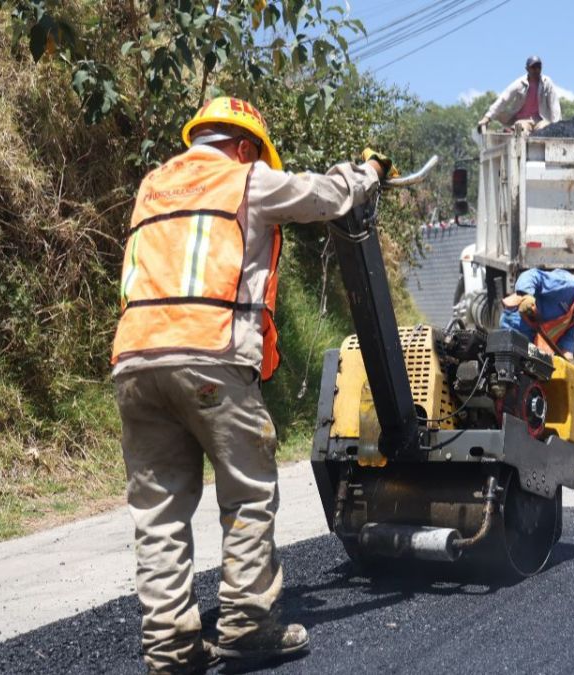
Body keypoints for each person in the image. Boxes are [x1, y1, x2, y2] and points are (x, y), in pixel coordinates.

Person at [110, 96, 393, 674]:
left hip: (135, 361)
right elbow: (326, 195)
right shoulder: (244, 180)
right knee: (247, 492)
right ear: (245, 147)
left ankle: (170, 650)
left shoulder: (153, 185)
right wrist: (369, 173)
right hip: (209, 353)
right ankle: (246, 626)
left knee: (158, 510)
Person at [499, 268, 574, 360]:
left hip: (532, 342)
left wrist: (569, 360)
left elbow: (567, 336)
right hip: (515, 326)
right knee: (506, 377)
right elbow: (531, 275)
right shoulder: (568, 283)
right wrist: (526, 295)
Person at [477, 55, 563, 134]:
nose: (536, 70)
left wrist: (557, 126)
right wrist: (487, 118)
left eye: (538, 67)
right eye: (533, 67)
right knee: (519, 129)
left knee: (544, 129)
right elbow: (503, 99)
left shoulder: (546, 83)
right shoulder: (520, 83)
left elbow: (554, 104)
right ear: (527, 69)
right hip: (523, 120)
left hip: (541, 120)